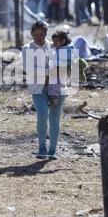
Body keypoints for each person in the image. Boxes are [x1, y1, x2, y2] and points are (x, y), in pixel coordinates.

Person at [22, 22, 72, 160]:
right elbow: (30, 70)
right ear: (31, 34)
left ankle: (53, 150)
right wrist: (49, 72)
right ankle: (42, 147)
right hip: (38, 87)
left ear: (46, 33)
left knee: (55, 118)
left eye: (42, 34)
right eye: (36, 34)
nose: (39, 37)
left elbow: (65, 62)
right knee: (42, 114)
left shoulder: (53, 45)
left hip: (57, 87)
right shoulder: (27, 48)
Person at [47, 31, 76, 108]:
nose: (54, 43)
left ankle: (54, 100)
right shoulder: (65, 48)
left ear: (63, 41)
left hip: (61, 69)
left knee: (54, 84)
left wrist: (53, 64)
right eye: (53, 42)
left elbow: (64, 61)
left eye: (56, 41)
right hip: (62, 70)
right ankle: (62, 93)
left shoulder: (65, 51)